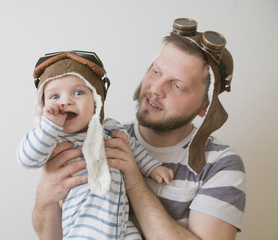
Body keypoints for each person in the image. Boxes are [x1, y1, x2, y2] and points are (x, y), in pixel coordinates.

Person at [31, 18, 246, 240]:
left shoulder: (220, 164)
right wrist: (45, 198)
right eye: (156, 72)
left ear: (205, 106)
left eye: (177, 85)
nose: (156, 89)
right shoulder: (100, 138)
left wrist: (135, 181)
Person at [17, 51, 174, 239]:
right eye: (54, 97)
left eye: (78, 92)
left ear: (97, 101)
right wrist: (48, 128)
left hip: (120, 224)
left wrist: (152, 168)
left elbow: (134, 150)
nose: (66, 101)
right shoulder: (54, 139)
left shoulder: (111, 129)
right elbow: (27, 159)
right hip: (83, 226)